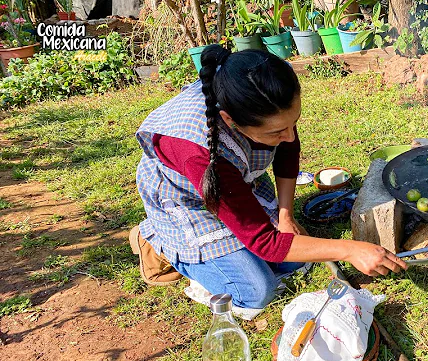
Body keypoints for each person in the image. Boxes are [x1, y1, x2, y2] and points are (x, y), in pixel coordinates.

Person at [129, 45, 406, 318]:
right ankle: (158, 244)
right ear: (231, 120)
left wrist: (285, 216)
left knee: (293, 260)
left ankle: (225, 255)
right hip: (188, 201)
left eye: (293, 123)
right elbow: (265, 241)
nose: (289, 136)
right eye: (277, 131)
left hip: (234, 186)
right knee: (256, 291)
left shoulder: (267, 99)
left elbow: (287, 150)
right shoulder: (198, 153)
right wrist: (348, 250)